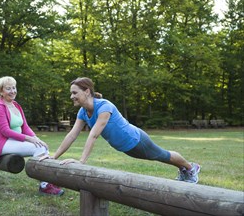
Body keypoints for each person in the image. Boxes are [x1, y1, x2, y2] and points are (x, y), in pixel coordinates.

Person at [40, 77, 201, 183]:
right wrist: (54, 157)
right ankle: (185, 169)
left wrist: (82, 161)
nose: (72, 97)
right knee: (160, 156)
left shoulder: (104, 107)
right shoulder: (83, 112)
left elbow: (94, 134)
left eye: (74, 93)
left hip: (136, 140)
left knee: (162, 155)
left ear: (87, 91)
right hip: (126, 147)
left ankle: (190, 168)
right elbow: (72, 135)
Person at [0, 76, 64, 195]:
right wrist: (30, 139)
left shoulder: (16, 105)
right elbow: (5, 131)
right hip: (2, 143)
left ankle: (48, 181)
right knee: (39, 148)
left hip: (14, 141)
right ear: (1, 91)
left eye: (14, 87)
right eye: (8, 88)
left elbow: (25, 127)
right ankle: (45, 186)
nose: (12, 91)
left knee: (42, 146)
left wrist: (37, 139)